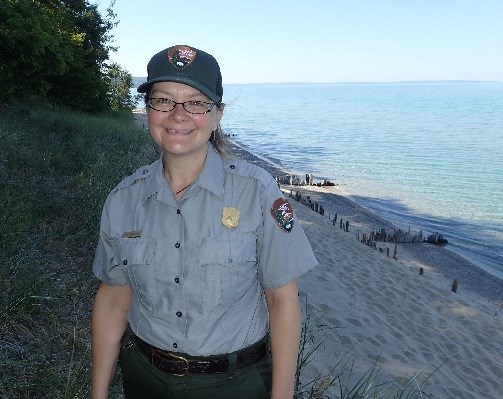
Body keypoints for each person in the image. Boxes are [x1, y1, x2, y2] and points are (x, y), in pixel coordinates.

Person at [91, 44, 317, 399]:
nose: (178, 115)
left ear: (216, 116)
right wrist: (98, 394)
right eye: (163, 100)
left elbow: (283, 301)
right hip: (145, 378)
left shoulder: (256, 191)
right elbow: (112, 300)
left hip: (234, 384)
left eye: (196, 103)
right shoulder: (123, 200)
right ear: (148, 110)